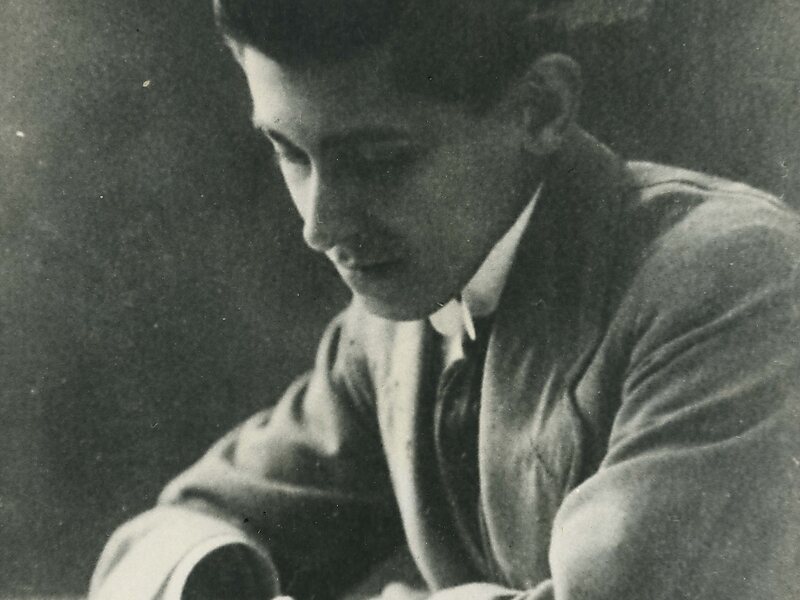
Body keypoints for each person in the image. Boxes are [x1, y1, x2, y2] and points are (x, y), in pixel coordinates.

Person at [89, 1, 800, 599]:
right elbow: (188, 525)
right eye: (290, 153)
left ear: (540, 109)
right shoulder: (389, 332)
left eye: (378, 160)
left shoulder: (735, 281)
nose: (319, 226)